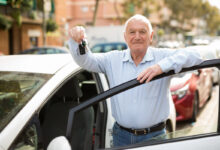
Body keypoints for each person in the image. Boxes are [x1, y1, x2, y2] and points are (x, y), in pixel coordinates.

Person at [68, 14, 203, 147]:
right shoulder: (113, 59)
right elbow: (86, 60)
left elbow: (196, 55)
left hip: (155, 137)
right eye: (132, 32)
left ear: (151, 36)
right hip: (121, 136)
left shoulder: (162, 57)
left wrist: (160, 67)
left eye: (142, 32)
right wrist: (77, 41)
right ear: (125, 37)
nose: (137, 36)